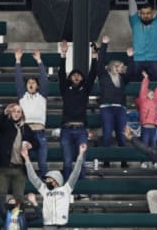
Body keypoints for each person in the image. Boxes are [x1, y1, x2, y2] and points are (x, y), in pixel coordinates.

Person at [24, 144, 84, 230]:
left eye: (49, 179)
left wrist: (80, 154)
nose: (46, 181)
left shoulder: (66, 189)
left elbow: (75, 173)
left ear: (56, 180)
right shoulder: (45, 190)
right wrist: (26, 159)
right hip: (48, 227)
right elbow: (32, 177)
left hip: (62, 227)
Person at [58, 40, 97, 180]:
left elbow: (92, 75)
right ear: (70, 78)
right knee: (67, 162)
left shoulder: (85, 90)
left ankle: (82, 191)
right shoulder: (64, 89)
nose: (76, 76)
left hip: (81, 130)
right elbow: (61, 74)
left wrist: (94, 56)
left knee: (81, 161)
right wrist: (63, 55)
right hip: (66, 130)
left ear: (82, 78)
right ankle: (68, 192)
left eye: (79, 75)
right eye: (73, 74)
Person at [97, 36, 133, 167]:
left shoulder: (123, 78)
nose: (120, 68)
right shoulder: (103, 76)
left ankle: (124, 161)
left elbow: (132, 71)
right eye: (118, 66)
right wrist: (104, 44)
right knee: (107, 134)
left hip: (120, 108)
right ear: (112, 66)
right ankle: (106, 160)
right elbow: (100, 62)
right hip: (106, 107)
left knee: (122, 135)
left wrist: (130, 58)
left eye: (121, 67)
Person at [14, 48, 49, 176]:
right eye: (29, 82)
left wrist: (39, 61)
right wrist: (18, 61)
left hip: (40, 133)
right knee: (23, 163)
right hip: (26, 133)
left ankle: (46, 191)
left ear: (37, 86)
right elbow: (18, 80)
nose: (31, 84)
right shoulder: (22, 96)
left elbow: (44, 78)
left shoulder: (42, 96)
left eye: (33, 82)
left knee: (43, 164)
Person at [0, 102, 38, 203]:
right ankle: (0, 218)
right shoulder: (6, 124)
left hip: (19, 168)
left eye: (19, 111)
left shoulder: (25, 128)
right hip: (3, 168)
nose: (16, 113)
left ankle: (20, 219)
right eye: (14, 111)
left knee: (19, 198)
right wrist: (5, 112)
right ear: (10, 113)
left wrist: (31, 145)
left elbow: (36, 143)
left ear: (22, 114)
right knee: (1, 195)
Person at [136, 70, 157, 152]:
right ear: (146, 94)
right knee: (144, 144)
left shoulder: (155, 101)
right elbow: (143, 90)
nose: (153, 94)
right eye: (151, 93)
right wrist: (146, 78)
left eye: (153, 94)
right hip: (145, 127)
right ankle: (143, 161)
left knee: (153, 145)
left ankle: (154, 162)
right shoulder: (143, 100)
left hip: (153, 127)